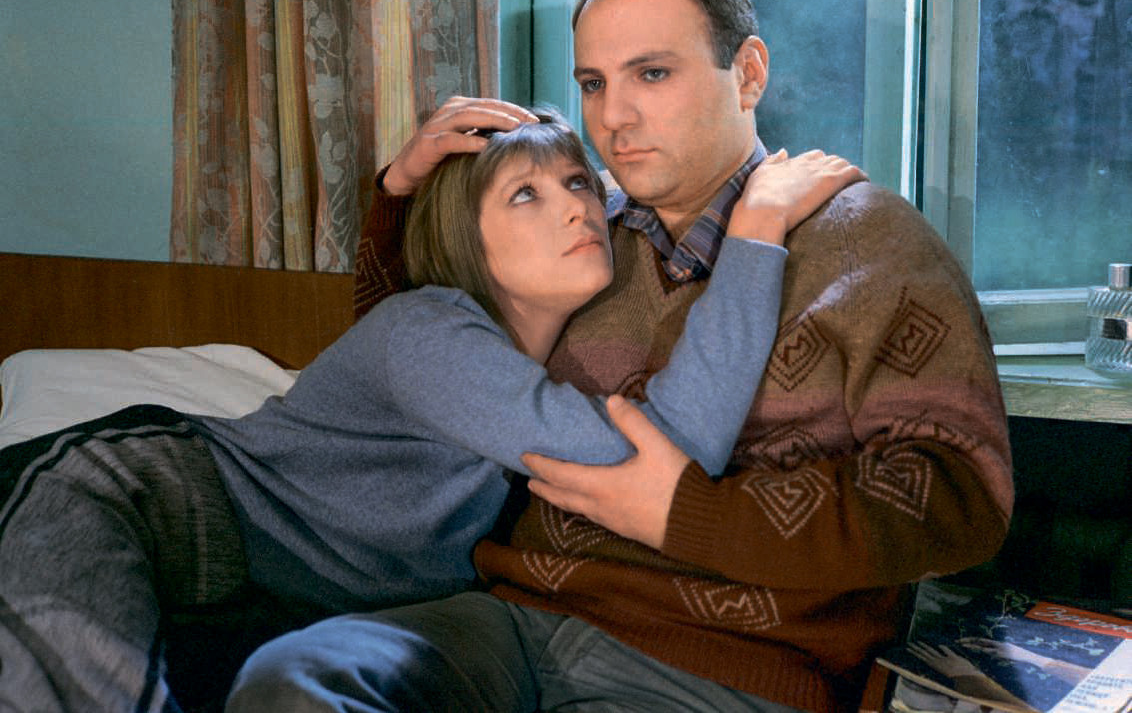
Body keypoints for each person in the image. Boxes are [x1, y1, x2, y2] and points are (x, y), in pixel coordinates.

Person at [228, 0, 1015, 713]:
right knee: (292, 678)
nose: (612, 117)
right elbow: (425, 354)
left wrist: (693, 515)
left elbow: (962, 496)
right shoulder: (581, 227)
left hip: (722, 664)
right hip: (513, 619)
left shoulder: (865, 238)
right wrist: (399, 194)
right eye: (593, 83)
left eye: (652, 73)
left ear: (748, 73)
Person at [0, 110, 858, 713]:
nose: (574, 204)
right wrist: (756, 236)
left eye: (577, 183)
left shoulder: (546, 362)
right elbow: (659, 456)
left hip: (266, 606)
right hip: (142, 499)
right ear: (463, 238)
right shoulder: (426, 331)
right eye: (525, 195)